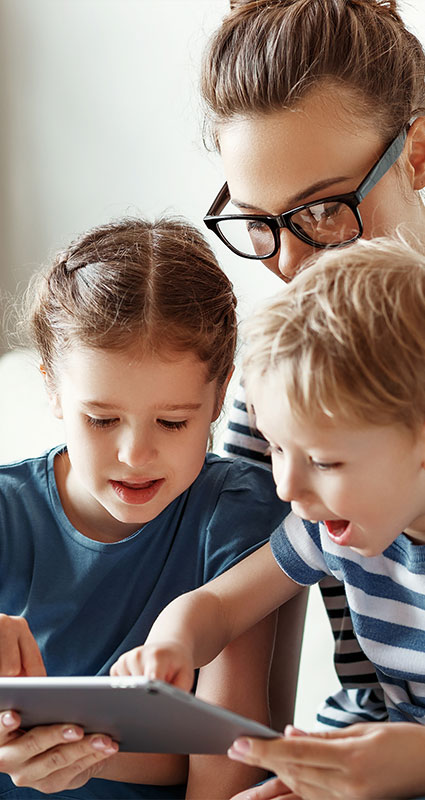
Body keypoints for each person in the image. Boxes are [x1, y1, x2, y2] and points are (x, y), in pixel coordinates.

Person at [111, 236, 425, 800]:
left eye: (325, 460)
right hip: (361, 754)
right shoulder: (326, 529)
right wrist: (173, 645)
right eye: (279, 449)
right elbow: (220, 604)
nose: (287, 487)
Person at [0, 216, 287, 799]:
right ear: (53, 389)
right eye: (102, 420)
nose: (135, 454)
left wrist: (70, 747)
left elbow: (229, 764)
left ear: (218, 397)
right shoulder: (9, 515)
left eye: (173, 421)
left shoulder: (232, 518)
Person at [199, 0, 425, 739]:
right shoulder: (276, 394)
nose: (289, 266)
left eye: (323, 210)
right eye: (257, 224)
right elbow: (239, 668)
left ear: (416, 153)